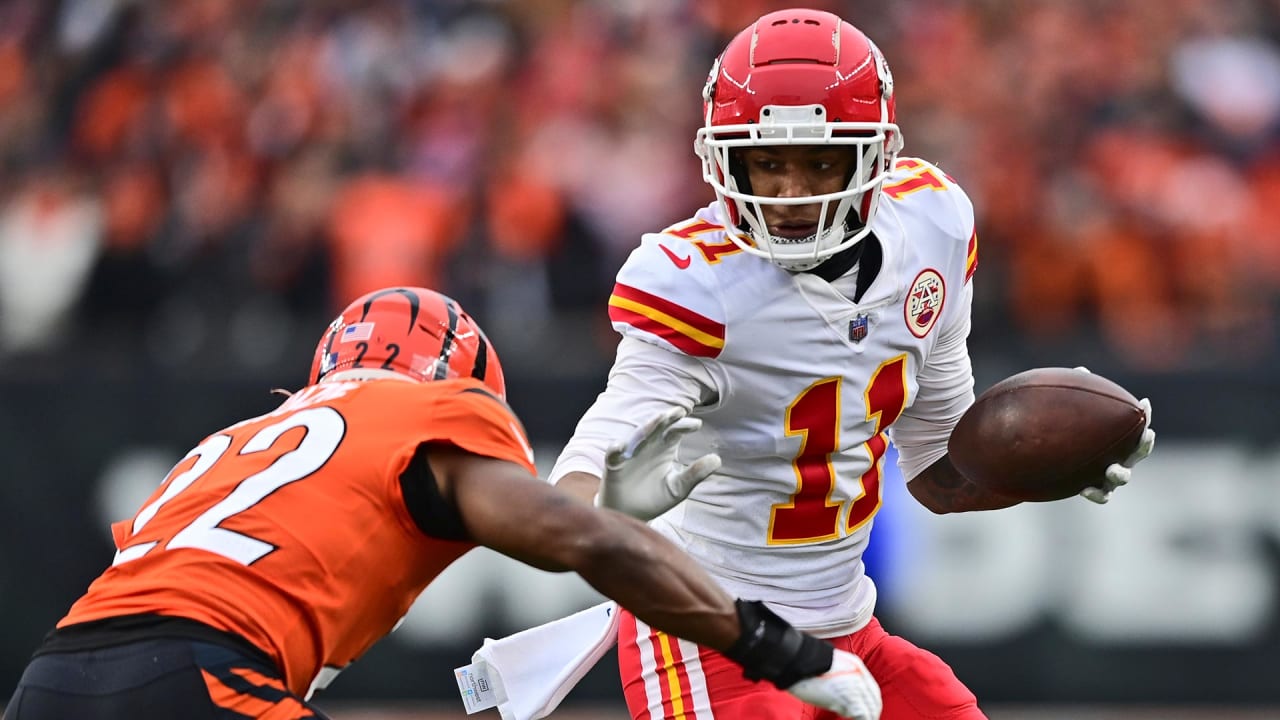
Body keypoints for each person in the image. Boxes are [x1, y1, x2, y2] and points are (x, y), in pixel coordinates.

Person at [547, 8, 1156, 720]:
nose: (789, 191)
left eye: (820, 159)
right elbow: (577, 483)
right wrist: (609, 510)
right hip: (706, 638)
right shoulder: (691, 283)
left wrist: (1048, 468)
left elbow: (937, 472)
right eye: (767, 161)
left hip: (848, 632)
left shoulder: (932, 226)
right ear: (724, 159)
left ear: (874, 154)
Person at [2, 286, 883, 720]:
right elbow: (572, 540)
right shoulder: (427, 411)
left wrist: (601, 502)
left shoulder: (230, 443)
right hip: (195, 681)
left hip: (50, 681)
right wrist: (777, 646)